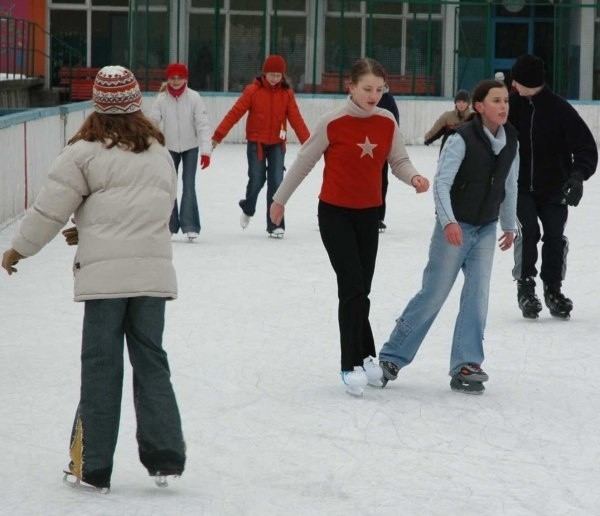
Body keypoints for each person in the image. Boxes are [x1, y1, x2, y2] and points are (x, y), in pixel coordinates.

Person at [1, 66, 186, 492]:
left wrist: (19, 249)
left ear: (97, 104)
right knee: (151, 363)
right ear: (136, 102)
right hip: (151, 276)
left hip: (105, 280)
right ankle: (166, 457)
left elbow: (49, 209)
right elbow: (152, 209)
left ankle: (93, 466)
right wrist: (90, 227)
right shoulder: (158, 149)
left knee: (102, 367)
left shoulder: (83, 151)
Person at [270, 57, 429, 397]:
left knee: (361, 290)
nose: (374, 95)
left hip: (369, 215)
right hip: (334, 214)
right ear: (351, 88)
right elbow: (304, 161)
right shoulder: (334, 122)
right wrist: (279, 200)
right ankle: (350, 363)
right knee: (352, 287)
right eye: (368, 89)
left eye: (379, 89)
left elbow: (398, 160)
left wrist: (413, 176)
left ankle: (368, 355)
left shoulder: (387, 121)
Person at [378, 79, 519, 395]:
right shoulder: (461, 138)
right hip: (454, 228)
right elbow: (442, 184)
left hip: (485, 228)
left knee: (477, 296)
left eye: (506, 101)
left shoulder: (512, 140)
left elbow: (510, 185)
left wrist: (509, 226)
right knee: (434, 293)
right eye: (496, 101)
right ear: (479, 107)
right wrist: (449, 222)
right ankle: (392, 356)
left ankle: (466, 364)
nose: (503, 106)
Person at [509, 54, 598, 319]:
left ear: (528, 82)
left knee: (555, 236)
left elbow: (585, 146)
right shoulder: (510, 106)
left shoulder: (559, 109)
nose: (513, 84)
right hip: (520, 186)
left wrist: (578, 175)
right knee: (529, 232)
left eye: (517, 80)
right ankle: (526, 287)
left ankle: (553, 289)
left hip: (553, 189)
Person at [211, 55, 310, 238]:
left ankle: (275, 224)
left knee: (277, 183)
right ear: (265, 74)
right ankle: (248, 207)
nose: (274, 79)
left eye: (278, 75)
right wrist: (217, 136)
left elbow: (296, 119)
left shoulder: (286, 93)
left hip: (277, 145)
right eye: (271, 74)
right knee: (256, 180)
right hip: (256, 143)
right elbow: (235, 113)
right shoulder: (253, 91)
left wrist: (309, 144)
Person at [150, 62, 212, 241]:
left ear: (186, 79)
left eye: (179, 77)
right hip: (168, 149)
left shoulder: (194, 97)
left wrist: (206, 152)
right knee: (170, 186)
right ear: (168, 79)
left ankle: (190, 225)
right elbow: (152, 123)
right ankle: (170, 225)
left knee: (189, 185)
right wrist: (151, 146)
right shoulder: (161, 99)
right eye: (172, 78)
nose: (176, 81)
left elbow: (203, 124)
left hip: (190, 147)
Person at [376, 85, 400, 232]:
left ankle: (378, 217)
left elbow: (394, 123)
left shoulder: (388, 99)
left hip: (380, 149)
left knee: (380, 182)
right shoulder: (361, 95)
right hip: (359, 146)